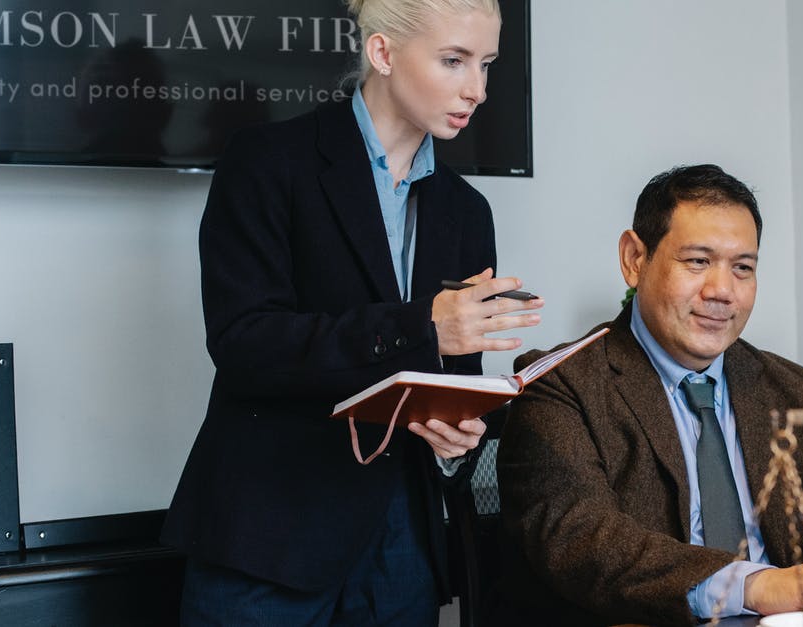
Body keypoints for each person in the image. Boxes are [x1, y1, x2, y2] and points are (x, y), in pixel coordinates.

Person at [160, 1, 541, 625]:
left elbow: (451, 378)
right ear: (383, 53)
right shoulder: (267, 161)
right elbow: (244, 343)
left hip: (401, 551)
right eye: (454, 60)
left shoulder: (467, 213)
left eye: (487, 64)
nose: (477, 89)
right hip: (268, 538)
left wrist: (456, 437)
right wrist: (423, 327)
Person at [494, 165, 803, 627]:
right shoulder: (559, 386)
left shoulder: (802, 390)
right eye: (698, 261)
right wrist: (758, 585)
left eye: (743, 268)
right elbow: (583, 542)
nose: (722, 292)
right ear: (635, 259)